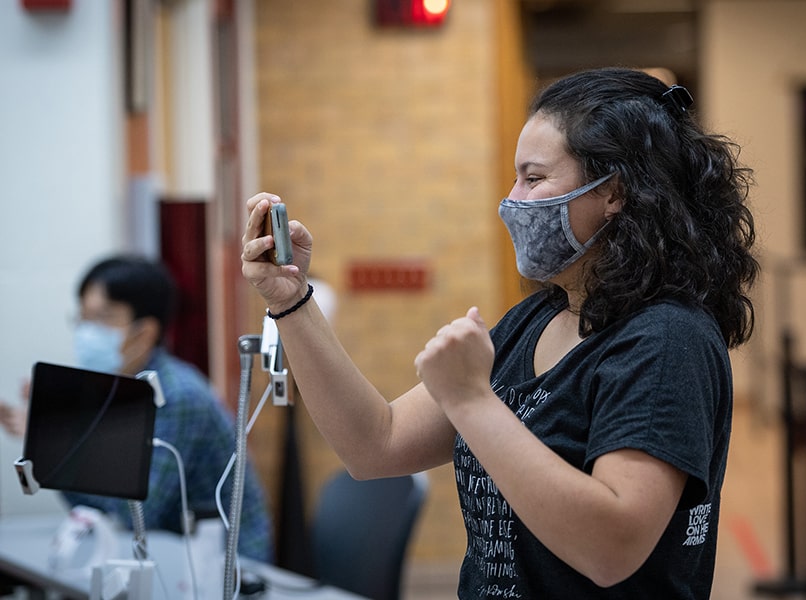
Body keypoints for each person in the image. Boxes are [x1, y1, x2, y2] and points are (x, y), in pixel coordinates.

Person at [240, 67, 759, 598]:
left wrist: (472, 400)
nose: (511, 201)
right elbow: (376, 444)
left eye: (533, 179)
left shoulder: (667, 340)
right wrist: (292, 302)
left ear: (615, 192)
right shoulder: (533, 321)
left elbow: (612, 548)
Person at [0, 255, 273, 563]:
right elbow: (95, 509)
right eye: (83, 318)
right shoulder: (115, 389)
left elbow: (137, 514)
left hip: (227, 568)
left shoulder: (176, 396)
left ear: (144, 332)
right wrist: (50, 438)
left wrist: (54, 443)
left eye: (103, 318)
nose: (88, 332)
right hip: (165, 554)